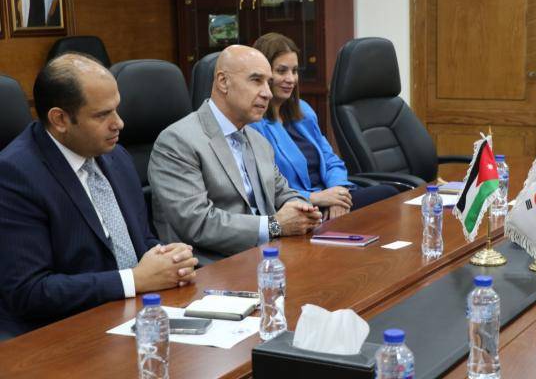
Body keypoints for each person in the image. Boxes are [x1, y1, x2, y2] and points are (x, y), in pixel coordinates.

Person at [0, 53, 198, 338]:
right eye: (102, 115)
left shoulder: (117, 156)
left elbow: (141, 240)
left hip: (134, 312)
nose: (119, 123)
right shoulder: (15, 174)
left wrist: (169, 259)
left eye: (116, 109)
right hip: (64, 331)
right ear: (60, 119)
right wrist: (133, 280)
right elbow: (29, 291)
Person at [148, 45, 322, 266]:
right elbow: (198, 224)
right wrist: (275, 225)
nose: (268, 93)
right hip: (212, 268)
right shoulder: (177, 141)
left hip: (268, 258)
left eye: (268, 83)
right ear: (223, 82)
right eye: (256, 80)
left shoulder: (258, 140)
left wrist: (303, 210)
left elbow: (282, 192)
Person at [250, 33, 399, 220]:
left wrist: (338, 193)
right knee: (387, 197)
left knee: (390, 196)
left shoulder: (303, 110)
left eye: (294, 71)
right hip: (300, 208)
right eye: (281, 71)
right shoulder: (254, 124)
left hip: (329, 197)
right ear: (263, 74)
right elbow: (265, 188)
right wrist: (318, 198)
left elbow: (331, 160)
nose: (291, 79)